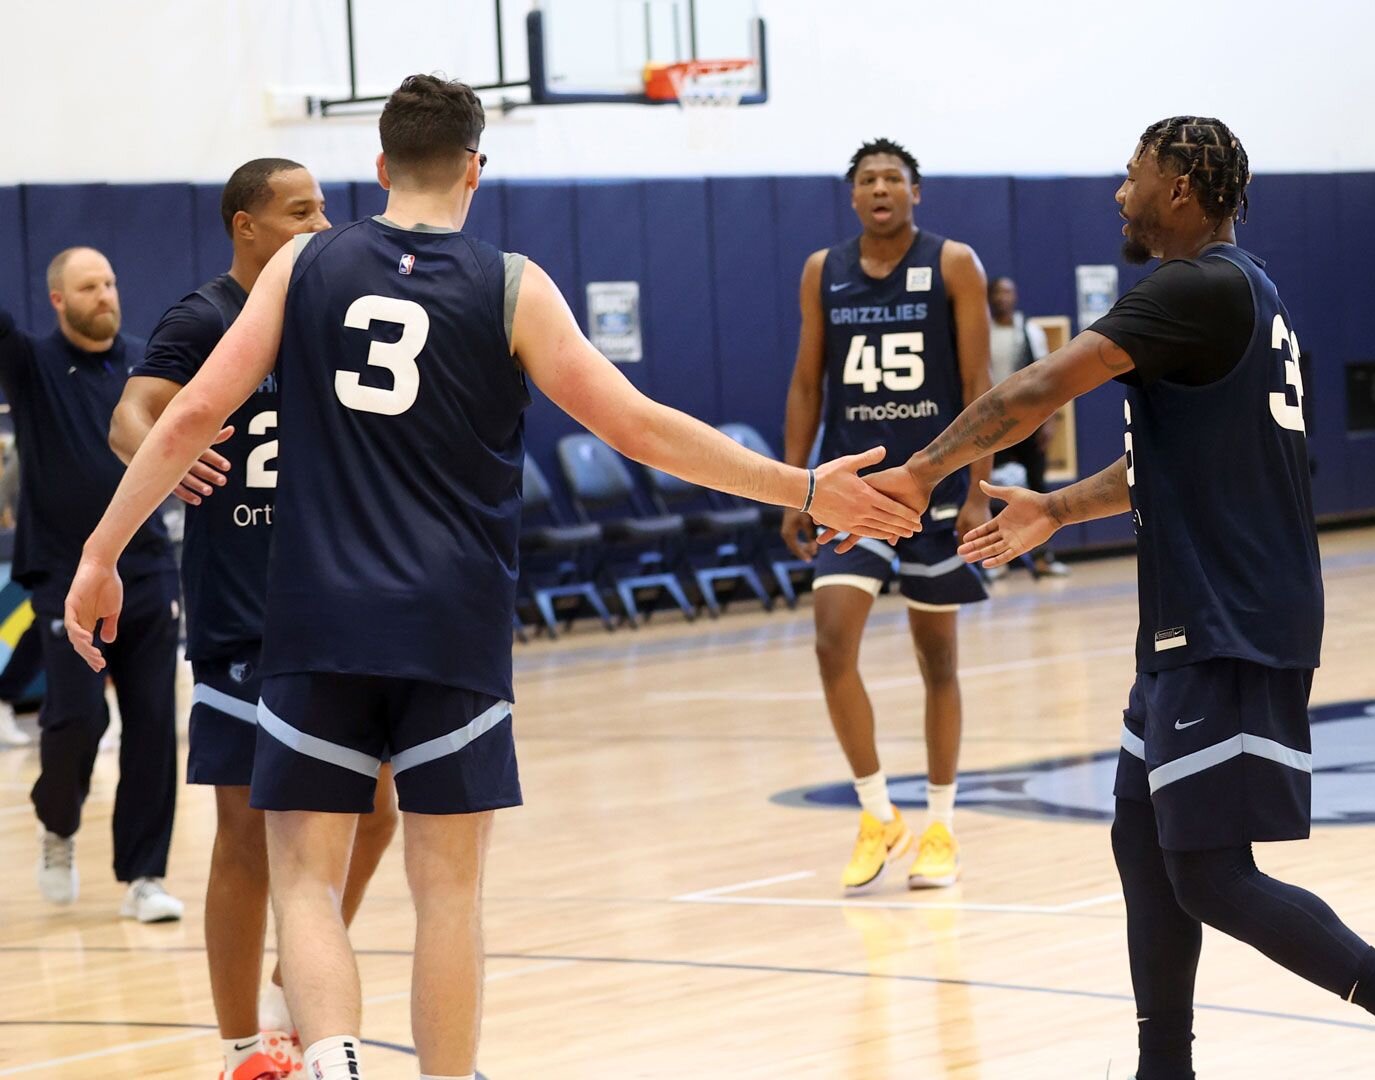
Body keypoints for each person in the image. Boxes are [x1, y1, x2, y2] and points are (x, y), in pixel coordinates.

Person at [64, 73, 919, 1080]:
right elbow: (640, 428)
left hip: (318, 625)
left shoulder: (301, 265)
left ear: (378, 166)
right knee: (448, 895)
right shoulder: (515, 285)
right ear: (476, 167)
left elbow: (194, 412)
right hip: (453, 632)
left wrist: (100, 553)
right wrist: (805, 485)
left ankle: (331, 1058)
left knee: (302, 880)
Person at [866, 117, 1375, 1079]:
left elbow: (1038, 389)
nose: (1118, 195)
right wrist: (1053, 506)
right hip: (1192, 618)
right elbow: (1160, 461)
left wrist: (920, 472)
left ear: (1178, 189)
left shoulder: (1197, 287)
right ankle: (1162, 1068)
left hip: (1231, 619)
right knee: (1143, 841)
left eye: (1132, 178)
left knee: (1211, 874)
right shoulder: (1242, 291)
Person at [113, 157, 401, 1080]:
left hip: (340, 608)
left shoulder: (328, 316)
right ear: (247, 225)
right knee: (244, 833)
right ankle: (244, 1043)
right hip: (245, 616)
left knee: (382, 811)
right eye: (300, 210)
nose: (324, 224)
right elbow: (133, 414)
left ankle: (298, 966)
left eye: (325, 207)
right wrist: (161, 455)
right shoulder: (205, 318)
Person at [779, 138, 993, 893]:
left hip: (933, 495)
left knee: (938, 661)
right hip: (854, 494)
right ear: (851, 195)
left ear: (916, 192)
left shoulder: (953, 264)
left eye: (893, 179)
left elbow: (979, 383)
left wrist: (976, 488)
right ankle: (877, 813)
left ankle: (941, 826)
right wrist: (795, 484)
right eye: (867, 179)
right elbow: (808, 382)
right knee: (832, 643)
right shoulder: (822, 271)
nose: (880, 189)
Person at [0, 247, 183, 922]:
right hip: (61, 573)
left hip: (147, 568)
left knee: (153, 725)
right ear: (57, 300)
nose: (105, 294)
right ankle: (59, 824)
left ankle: (144, 875)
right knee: (78, 719)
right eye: (88, 286)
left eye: (110, 281)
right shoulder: (31, 364)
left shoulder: (146, 362)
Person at [986, 275, 1070, 580]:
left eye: (1008, 292)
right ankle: (997, 559)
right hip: (994, 423)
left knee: (1037, 487)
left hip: (1030, 421)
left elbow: (1048, 379)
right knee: (993, 489)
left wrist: (1049, 420)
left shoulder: (1030, 332)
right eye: (997, 292)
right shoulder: (982, 332)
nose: (1002, 298)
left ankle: (1043, 558)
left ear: (1015, 296)